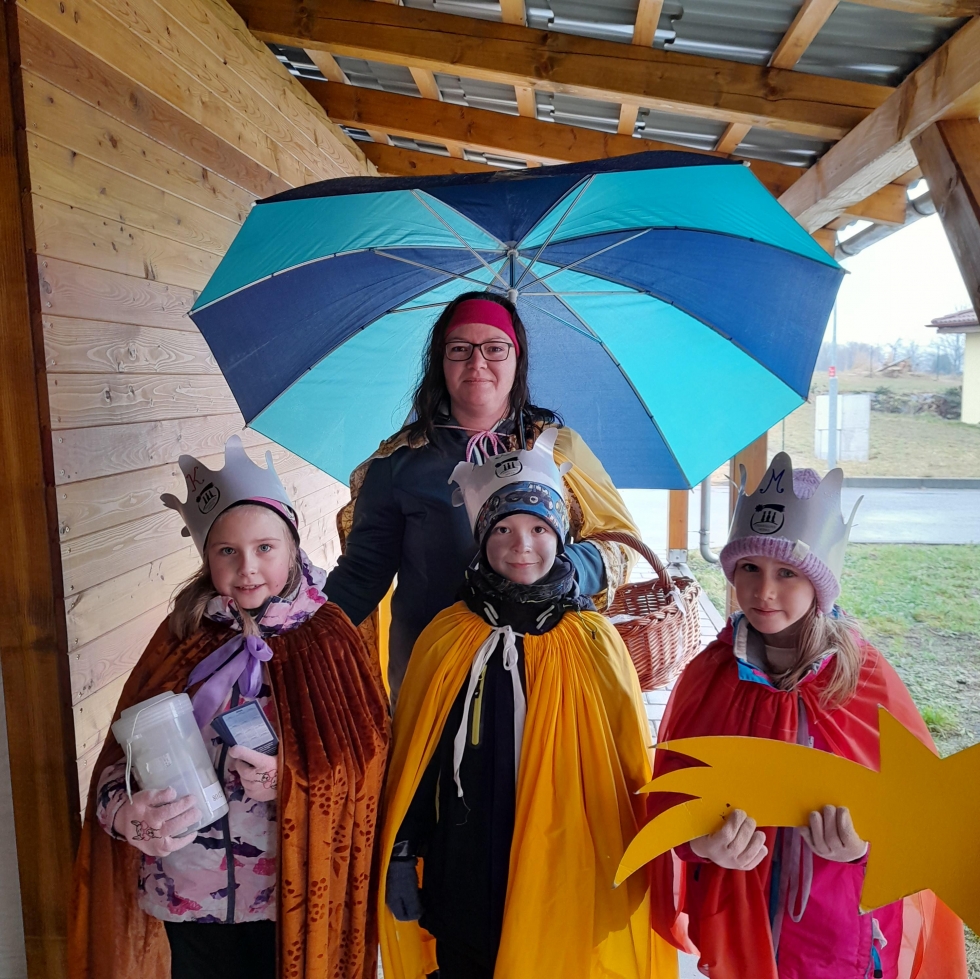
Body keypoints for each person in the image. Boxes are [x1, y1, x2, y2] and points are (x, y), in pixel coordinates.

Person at [69, 436, 390, 979]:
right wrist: (123, 813)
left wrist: (289, 778)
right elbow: (120, 762)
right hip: (187, 890)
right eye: (227, 551)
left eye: (265, 547)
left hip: (287, 893)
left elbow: (366, 760)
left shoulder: (329, 636)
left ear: (293, 546)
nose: (247, 568)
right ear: (206, 557)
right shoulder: (182, 637)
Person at [646, 452, 966, 979]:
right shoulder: (710, 676)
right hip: (737, 918)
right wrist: (702, 845)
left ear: (819, 583)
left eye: (787, 572)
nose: (763, 590)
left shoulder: (862, 680)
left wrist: (862, 848)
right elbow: (672, 795)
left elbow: (920, 818)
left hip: (835, 930)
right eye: (749, 568)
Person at [377, 429, 679, 979]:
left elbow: (624, 765)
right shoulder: (449, 636)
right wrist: (402, 851)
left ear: (561, 537)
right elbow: (420, 758)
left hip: (565, 869)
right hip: (463, 868)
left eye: (539, 528)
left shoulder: (593, 640)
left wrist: (637, 855)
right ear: (481, 538)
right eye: (503, 529)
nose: (522, 545)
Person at [325, 290, 638, 703]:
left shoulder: (558, 448)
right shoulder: (400, 463)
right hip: (435, 677)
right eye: (460, 349)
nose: (477, 363)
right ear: (440, 361)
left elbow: (620, 544)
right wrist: (298, 633)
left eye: (494, 348)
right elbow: (361, 575)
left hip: (547, 675)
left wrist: (553, 567)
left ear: (517, 358)